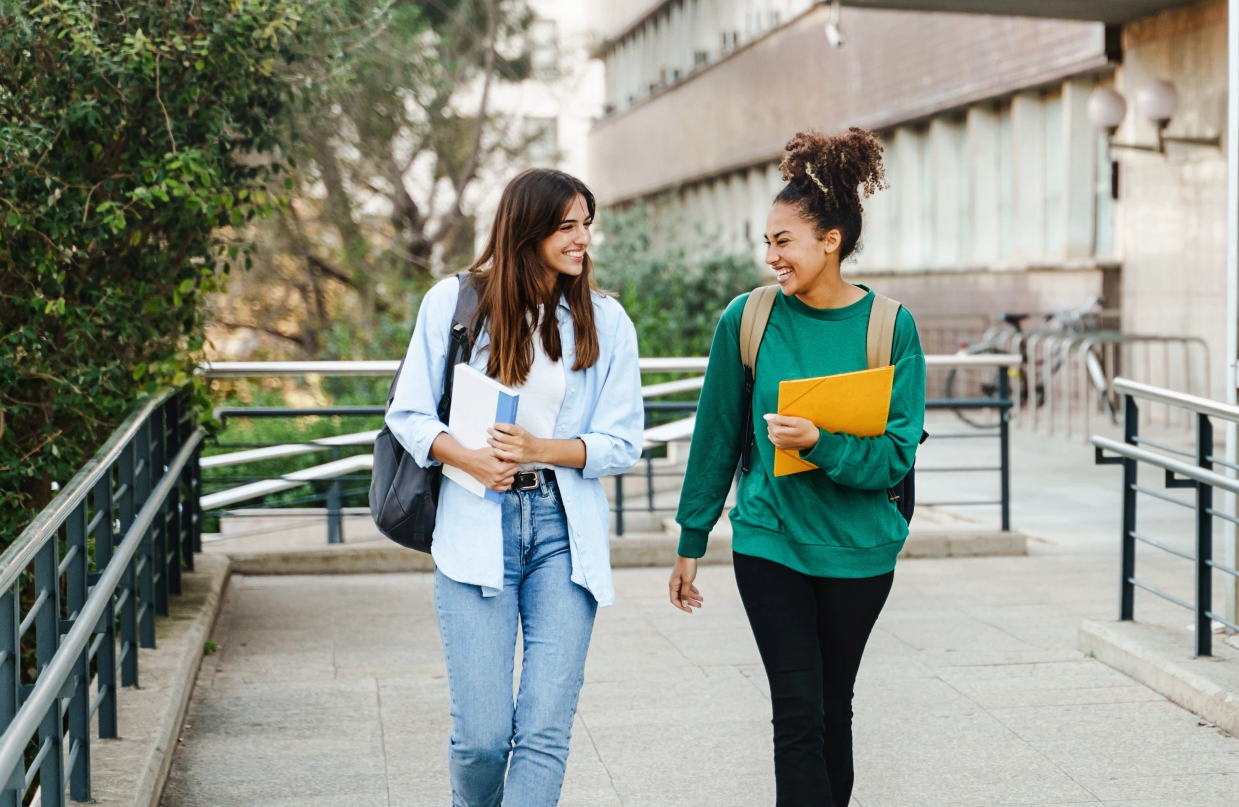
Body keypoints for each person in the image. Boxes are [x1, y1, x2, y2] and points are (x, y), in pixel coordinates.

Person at [669, 128, 926, 807]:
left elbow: (896, 455)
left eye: (783, 240)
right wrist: (691, 540)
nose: (771, 255)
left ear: (830, 240)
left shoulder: (890, 328)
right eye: (768, 241)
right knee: (795, 714)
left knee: (829, 711)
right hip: (769, 540)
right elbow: (717, 437)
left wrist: (820, 442)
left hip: (859, 551)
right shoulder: (747, 320)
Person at [387, 168, 644, 807]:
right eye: (567, 227)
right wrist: (470, 460)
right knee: (482, 738)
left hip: (563, 528)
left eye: (587, 224)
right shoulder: (452, 303)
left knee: (543, 730)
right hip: (476, 522)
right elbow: (409, 413)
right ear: (526, 231)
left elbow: (622, 441)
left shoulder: (606, 321)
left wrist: (542, 450)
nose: (583, 239)